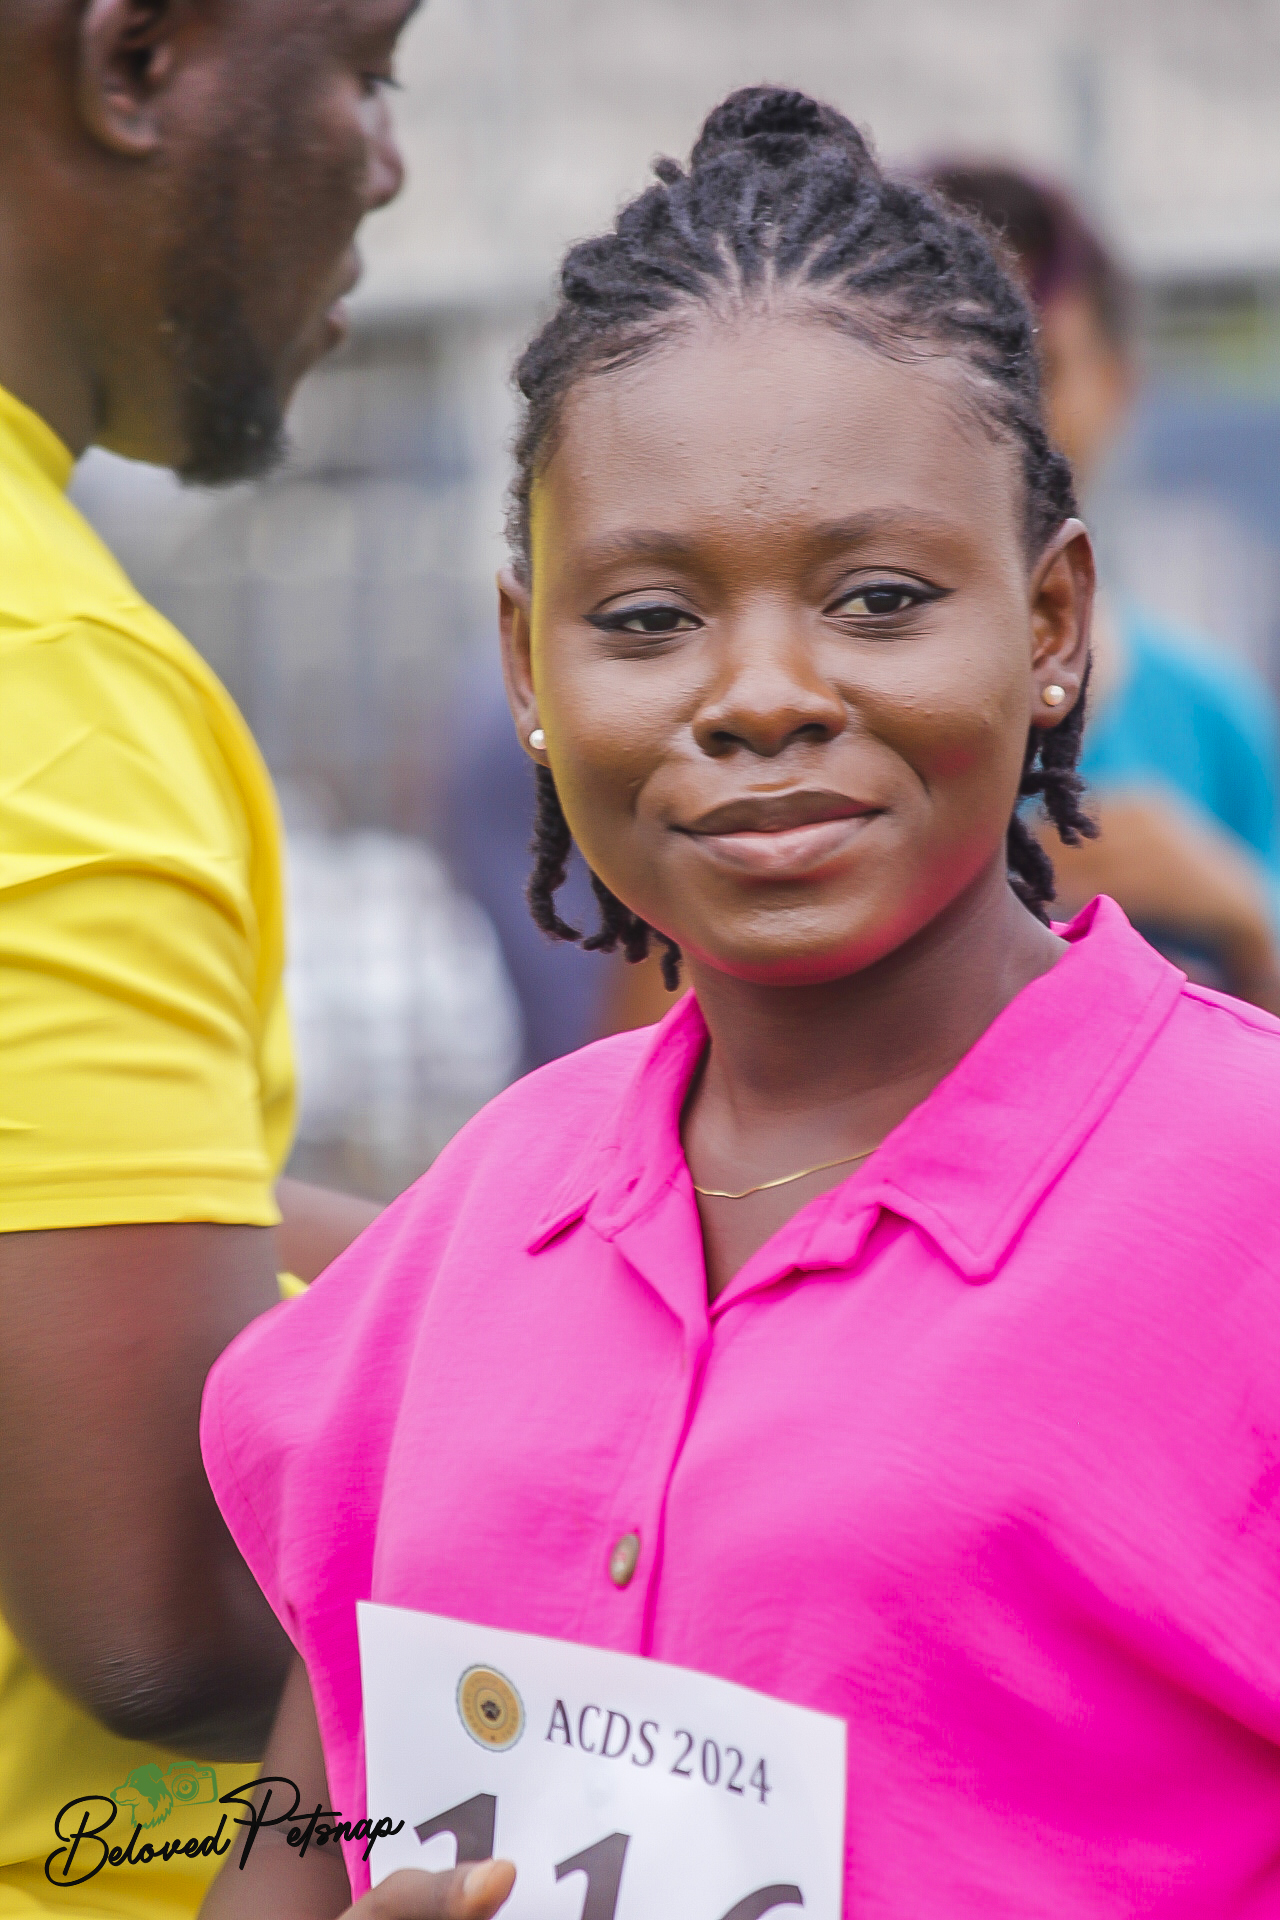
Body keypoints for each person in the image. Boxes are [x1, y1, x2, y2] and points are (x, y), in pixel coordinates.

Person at [199, 88, 1280, 1920]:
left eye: (878, 598)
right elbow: (296, 1852)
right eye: (645, 620)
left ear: (1049, 624)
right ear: (524, 662)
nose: (761, 693)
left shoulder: (1244, 1198)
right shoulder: (479, 1223)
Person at [0, 0, 414, 1913]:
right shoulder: (54, 683)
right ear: (132, 64)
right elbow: (153, 1603)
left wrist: (502, 1265)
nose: (387, 161)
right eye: (368, 66)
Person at [926, 164, 1280, 1009]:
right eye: (949, 371)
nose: (992, 418)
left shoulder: (1211, 713)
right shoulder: (814, 709)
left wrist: (1242, 918)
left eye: (1035, 368)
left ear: (1120, 382)